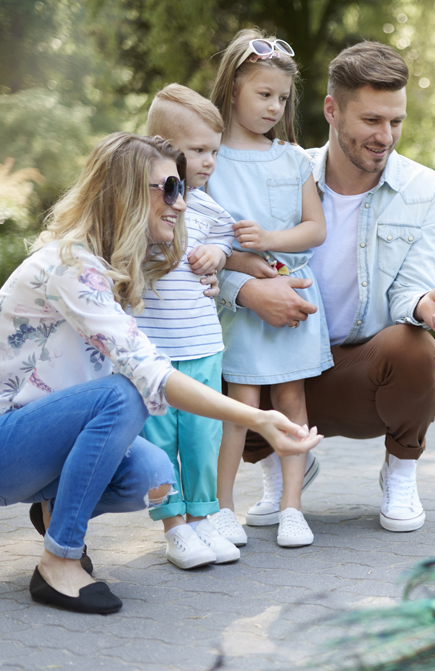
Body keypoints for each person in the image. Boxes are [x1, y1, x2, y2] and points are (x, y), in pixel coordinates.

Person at [0, 132, 322, 615]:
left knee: (153, 477)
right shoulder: (72, 265)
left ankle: (53, 506)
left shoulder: (111, 265)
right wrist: (259, 420)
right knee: (125, 395)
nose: (181, 201)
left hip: (37, 437)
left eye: (181, 187)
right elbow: (150, 372)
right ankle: (59, 559)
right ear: (125, 194)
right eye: (168, 188)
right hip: (8, 440)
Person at [215, 41, 435, 533]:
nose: (386, 136)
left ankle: (400, 470)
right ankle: (279, 469)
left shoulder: (424, 189)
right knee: (211, 357)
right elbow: (210, 251)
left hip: (356, 373)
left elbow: (409, 292)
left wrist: (425, 303)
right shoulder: (281, 168)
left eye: (396, 122)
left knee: (415, 349)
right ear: (332, 110)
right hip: (274, 360)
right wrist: (247, 292)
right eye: (372, 121)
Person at [207, 29, 331, 548]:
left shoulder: (293, 159)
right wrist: (242, 258)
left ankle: (292, 508)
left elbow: (314, 228)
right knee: (239, 407)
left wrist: (270, 239)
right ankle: (221, 509)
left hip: (295, 294)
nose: (274, 107)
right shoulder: (209, 159)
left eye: (281, 98)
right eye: (263, 94)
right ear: (233, 88)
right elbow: (198, 237)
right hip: (241, 308)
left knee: (291, 399)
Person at [138, 84, 260, 568]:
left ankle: (204, 518)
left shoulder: (209, 209)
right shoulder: (142, 210)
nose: (210, 161)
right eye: (197, 151)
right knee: (160, 442)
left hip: (204, 346)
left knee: (202, 438)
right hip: (155, 354)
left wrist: (224, 255)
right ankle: (174, 529)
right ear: (163, 151)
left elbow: (241, 249)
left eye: (215, 150)